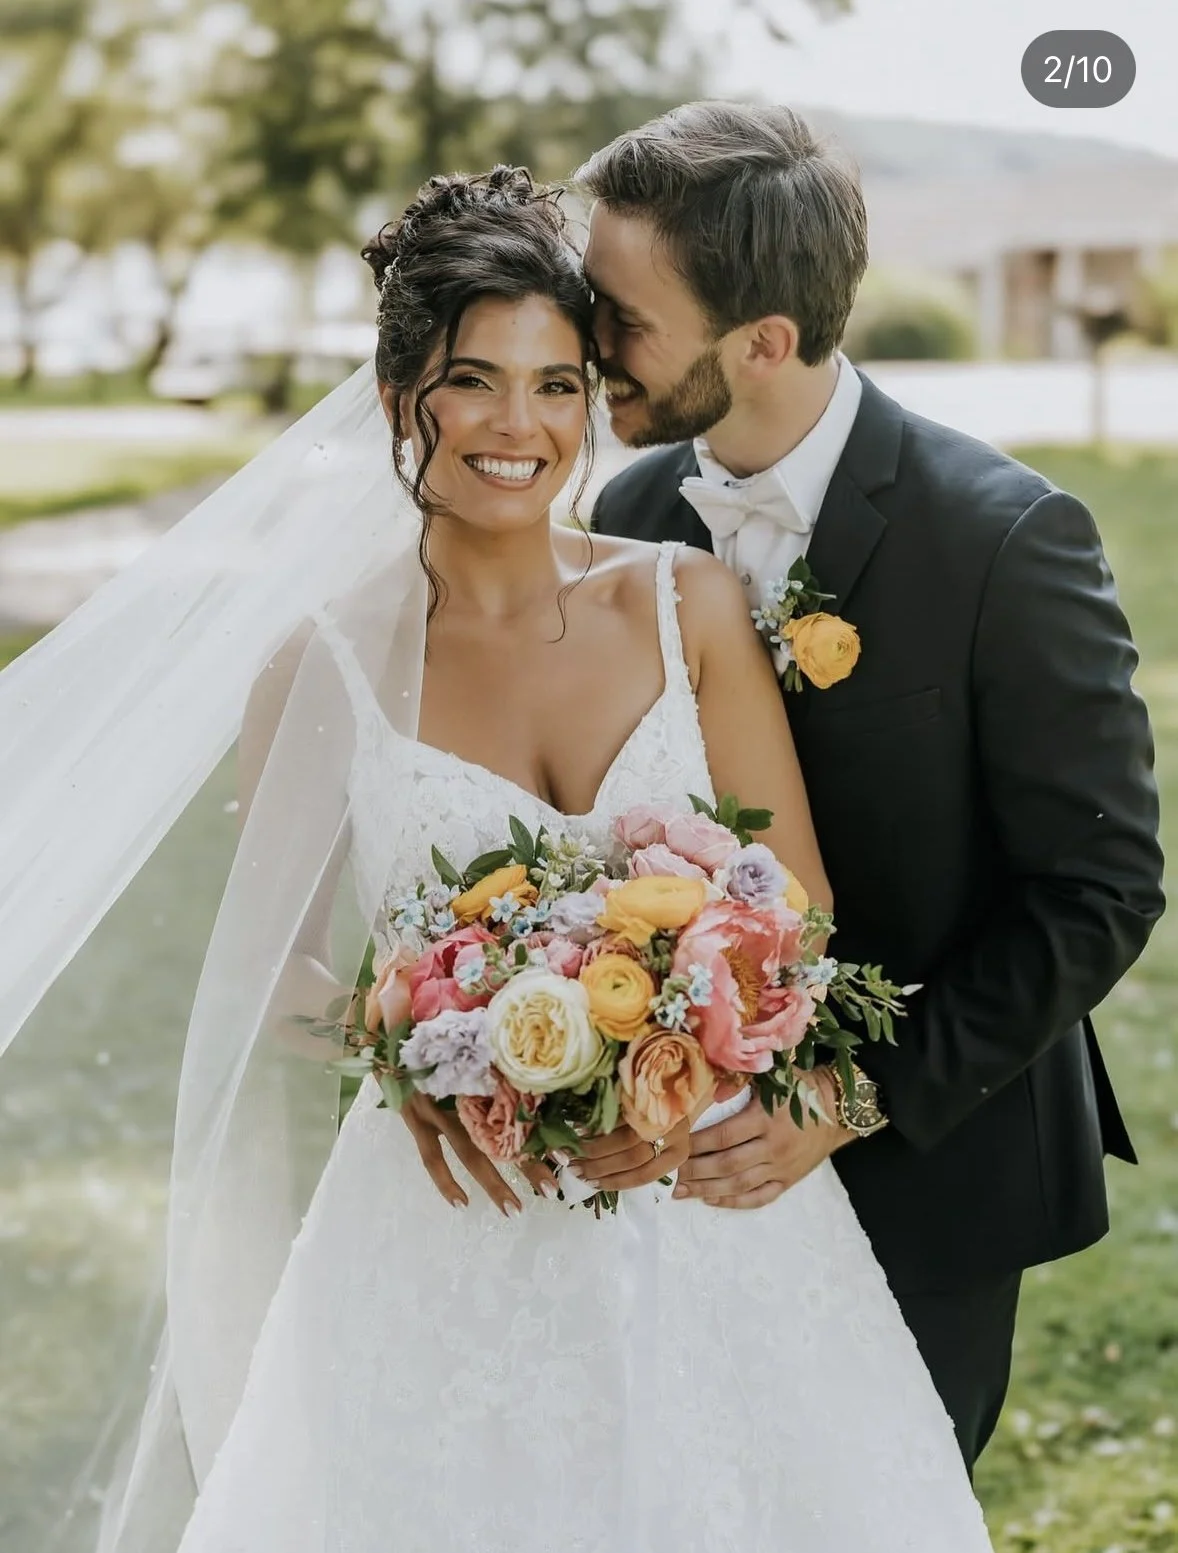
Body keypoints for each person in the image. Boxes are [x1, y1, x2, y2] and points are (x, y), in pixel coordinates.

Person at [1, 163, 996, 1551]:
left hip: (707, 1198)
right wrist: (425, 1034)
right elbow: (264, 974)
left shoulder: (682, 602)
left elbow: (802, 908)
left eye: (557, 384)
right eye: (475, 381)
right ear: (404, 394)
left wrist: (699, 1045)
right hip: (443, 1216)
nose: (519, 426)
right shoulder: (322, 664)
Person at [582, 100, 1165, 1473]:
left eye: (619, 316)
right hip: (676, 1160)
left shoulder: (1005, 538)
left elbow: (1097, 889)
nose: (583, 339)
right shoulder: (626, 516)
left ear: (763, 342)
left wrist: (852, 1097)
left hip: (925, 1173)